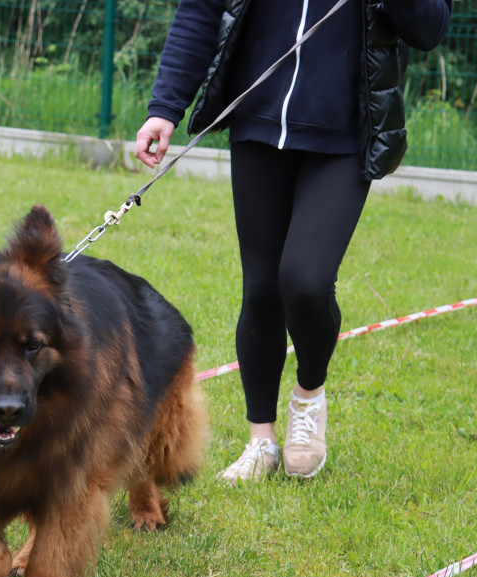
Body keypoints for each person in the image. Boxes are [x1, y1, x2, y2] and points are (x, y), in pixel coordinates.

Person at [135, 0, 452, 484]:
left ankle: (309, 397)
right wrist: (165, 107)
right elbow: (200, 11)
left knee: (305, 281)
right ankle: (260, 440)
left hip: (345, 132)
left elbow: (430, 28)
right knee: (261, 288)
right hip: (258, 122)